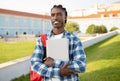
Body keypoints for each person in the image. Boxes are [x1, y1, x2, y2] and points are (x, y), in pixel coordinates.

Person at [31, 4, 86, 81]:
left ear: (65, 17)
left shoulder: (74, 40)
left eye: (59, 14)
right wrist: (59, 72)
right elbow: (35, 65)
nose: (55, 18)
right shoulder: (42, 40)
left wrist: (54, 63)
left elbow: (81, 65)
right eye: (53, 15)